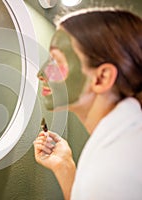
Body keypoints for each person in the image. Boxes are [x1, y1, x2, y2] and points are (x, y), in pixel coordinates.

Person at [33, 8, 142, 199]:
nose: (41, 74)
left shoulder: (113, 173)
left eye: (56, 61)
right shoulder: (127, 138)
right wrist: (64, 166)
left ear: (101, 78)